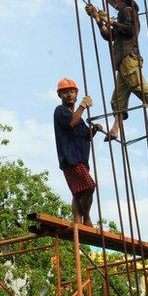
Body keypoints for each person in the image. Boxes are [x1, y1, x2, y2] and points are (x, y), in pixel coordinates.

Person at [85, 0, 148, 142]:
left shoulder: (128, 10)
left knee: (137, 85)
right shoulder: (121, 17)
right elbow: (108, 36)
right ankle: (115, 129)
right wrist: (97, 19)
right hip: (122, 61)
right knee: (118, 98)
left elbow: (130, 30)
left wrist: (109, 20)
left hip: (128, 57)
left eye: (117, 0)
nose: (115, 3)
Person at [54, 78, 103, 226]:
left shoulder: (79, 119)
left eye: (71, 91)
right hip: (70, 158)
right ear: (60, 96)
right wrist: (82, 106)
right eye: (65, 92)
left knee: (77, 192)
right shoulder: (60, 110)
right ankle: (86, 217)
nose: (69, 94)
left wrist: (93, 130)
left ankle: (77, 222)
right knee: (89, 186)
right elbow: (71, 123)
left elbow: (85, 137)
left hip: (81, 159)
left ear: (76, 93)